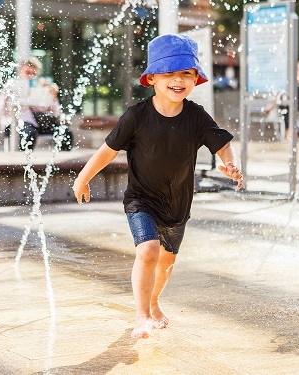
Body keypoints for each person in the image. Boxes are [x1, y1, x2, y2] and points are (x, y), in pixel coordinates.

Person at [72, 34, 244, 339]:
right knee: (149, 251)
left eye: (186, 74)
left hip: (177, 204)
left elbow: (222, 143)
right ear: (152, 78)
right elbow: (107, 151)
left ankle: (152, 302)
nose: (178, 80)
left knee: (166, 263)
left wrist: (229, 162)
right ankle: (141, 317)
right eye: (169, 74)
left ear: (195, 79)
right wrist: (83, 177)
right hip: (141, 200)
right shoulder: (136, 117)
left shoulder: (196, 116)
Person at [0, 56, 73, 151]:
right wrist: (6, 98)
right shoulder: (10, 87)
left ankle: (61, 162)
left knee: (65, 133)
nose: (30, 76)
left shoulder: (42, 87)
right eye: (27, 73)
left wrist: (54, 97)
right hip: (16, 124)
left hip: (38, 122)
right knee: (28, 133)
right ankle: (23, 163)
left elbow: (56, 113)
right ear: (20, 72)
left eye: (33, 73)